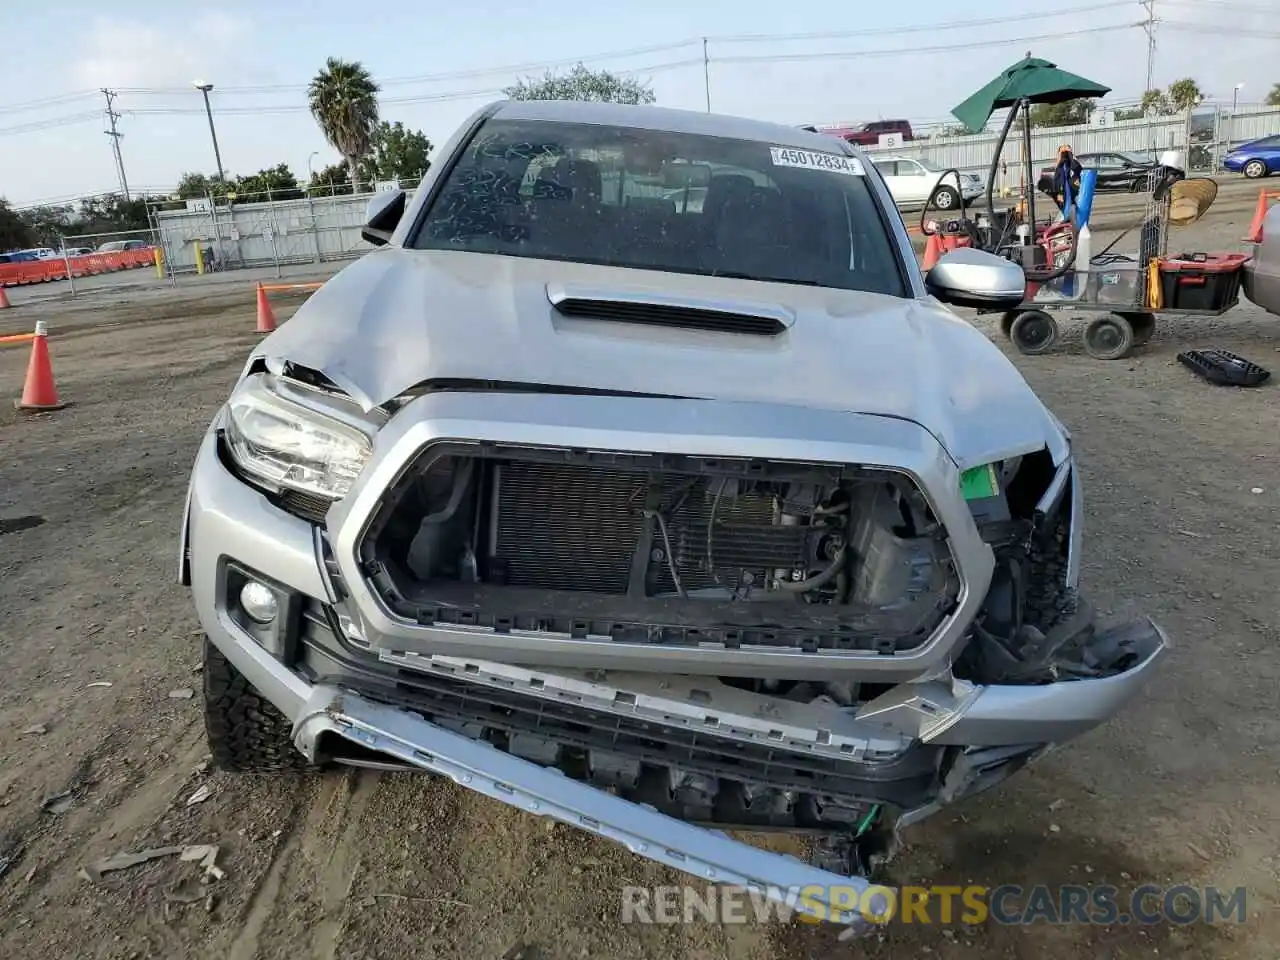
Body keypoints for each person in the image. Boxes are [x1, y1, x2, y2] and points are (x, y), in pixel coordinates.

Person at [1050, 144, 1083, 215]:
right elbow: (1056, 181)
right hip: (1062, 194)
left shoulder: (1073, 164)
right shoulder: (1060, 167)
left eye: (1066, 153)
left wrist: (1071, 155)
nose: (1065, 155)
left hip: (1073, 193)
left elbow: (1077, 169)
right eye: (1063, 153)